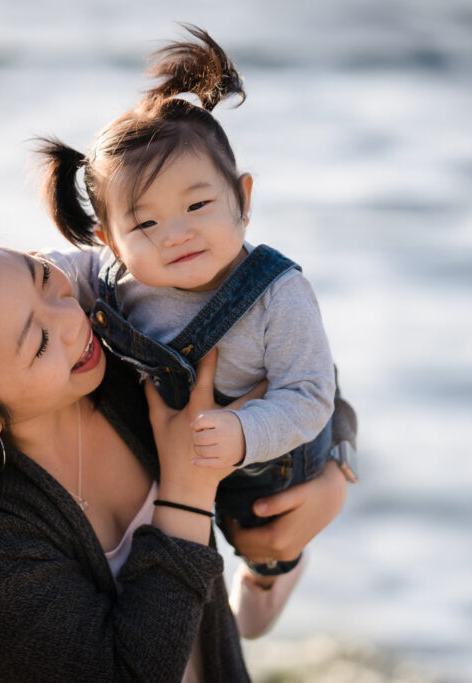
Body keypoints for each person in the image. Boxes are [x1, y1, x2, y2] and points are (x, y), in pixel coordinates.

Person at [0, 226, 349, 682]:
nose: (71, 319)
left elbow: (287, 357)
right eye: (37, 343)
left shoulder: (124, 359)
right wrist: (189, 487)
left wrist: (337, 471)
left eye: (42, 277)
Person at [35, 25, 357, 585]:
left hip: (270, 459)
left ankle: (272, 572)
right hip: (181, 459)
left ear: (244, 199)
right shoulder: (110, 275)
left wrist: (243, 432)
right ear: (110, 241)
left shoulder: (276, 292)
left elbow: (309, 394)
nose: (176, 234)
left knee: (262, 539)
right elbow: (39, 276)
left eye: (199, 204)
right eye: (146, 222)